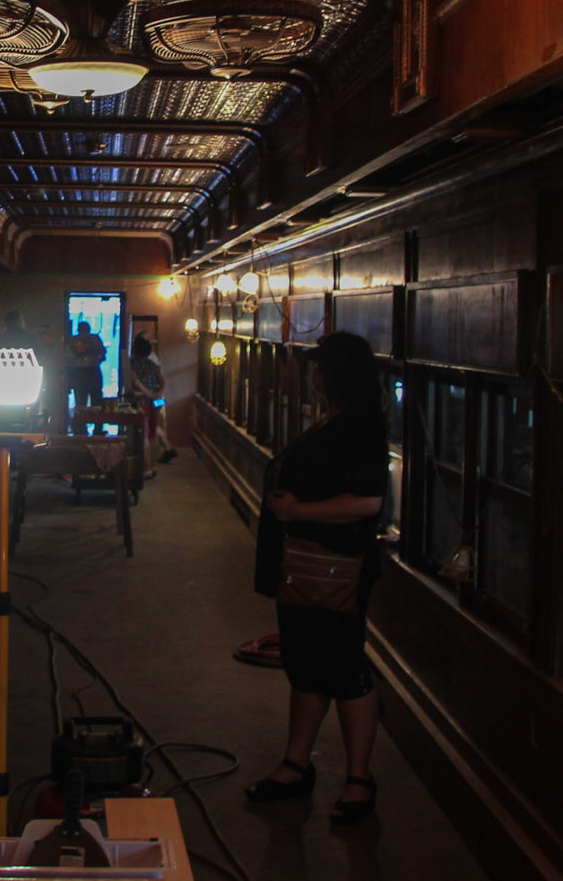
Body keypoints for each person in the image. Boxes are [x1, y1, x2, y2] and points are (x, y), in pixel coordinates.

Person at [245, 331, 387, 825]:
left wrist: (300, 509)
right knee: (304, 665)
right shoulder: (336, 421)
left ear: (337, 375)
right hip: (302, 564)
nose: (314, 376)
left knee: (344, 667)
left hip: (334, 568)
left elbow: (368, 502)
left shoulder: (363, 426)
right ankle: (295, 764)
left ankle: (358, 779)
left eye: (320, 368)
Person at [126, 335, 172, 465]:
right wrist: (157, 395)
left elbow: (135, 382)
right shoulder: (153, 364)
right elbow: (163, 383)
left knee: (143, 436)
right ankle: (153, 464)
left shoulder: (131, 363)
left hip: (142, 402)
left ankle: (145, 468)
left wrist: (147, 393)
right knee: (152, 434)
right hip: (156, 402)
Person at [64, 321, 105, 435]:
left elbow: (68, 360)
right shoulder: (95, 339)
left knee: (80, 402)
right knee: (96, 402)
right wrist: (94, 359)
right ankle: (98, 429)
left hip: (79, 373)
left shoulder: (72, 341)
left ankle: (80, 429)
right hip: (93, 371)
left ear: (78, 329)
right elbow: (103, 355)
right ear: (89, 329)